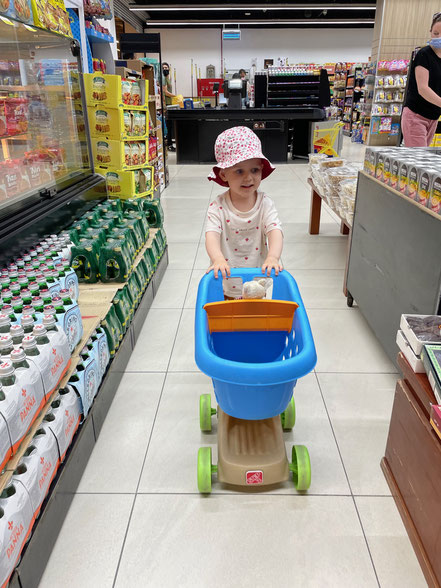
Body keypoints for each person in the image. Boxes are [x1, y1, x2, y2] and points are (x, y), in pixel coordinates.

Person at [205, 126, 283, 298]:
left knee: (253, 320)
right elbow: (211, 235)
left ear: (262, 170)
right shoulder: (218, 206)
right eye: (239, 171)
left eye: (254, 170)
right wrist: (217, 258)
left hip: (256, 282)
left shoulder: (265, 204)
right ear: (224, 174)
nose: (248, 178)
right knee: (228, 320)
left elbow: (275, 231)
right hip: (226, 278)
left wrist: (273, 257)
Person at [402, 12, 441, 147]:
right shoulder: (424, 55)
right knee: (417, 160)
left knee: (422, 161)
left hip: (433, 118)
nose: (439, 37)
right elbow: (423, 89)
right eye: (435, 33)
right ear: (430, 32)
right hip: (416, 116)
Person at [162, 62, 176, 151]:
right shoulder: (163, 78)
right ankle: (169, 144)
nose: (165, 69)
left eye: (166, 68)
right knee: (168, 125)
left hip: (170, 104)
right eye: (163, 68)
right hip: (166, 105)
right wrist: (176, 96)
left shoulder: (167, 78)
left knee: (170, 125)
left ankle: (170, 143)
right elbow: (165, 92)